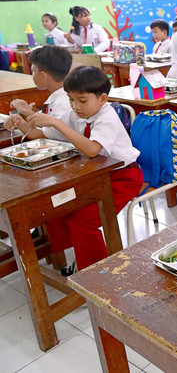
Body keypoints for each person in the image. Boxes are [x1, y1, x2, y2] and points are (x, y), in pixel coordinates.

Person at [7, 66, 143, 272]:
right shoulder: (76, 115)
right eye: (71, 99)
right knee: (56, 208)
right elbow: (40, 134)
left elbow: (91, 149)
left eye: (82, 100)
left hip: (123, 177)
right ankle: (75, 255)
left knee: (82, 222)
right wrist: (20, 124)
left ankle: (94, 275)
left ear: (103, 99)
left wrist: (55, 122)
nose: (76, 106)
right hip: (94, 176)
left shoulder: (107, 117)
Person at [3, 46, 72, 126]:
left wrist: (27, 111)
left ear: (43, 76)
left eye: (33, 72)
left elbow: (52, 134)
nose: (33, 76)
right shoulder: (64, 95)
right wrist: (29, 113)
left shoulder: (61, 103)